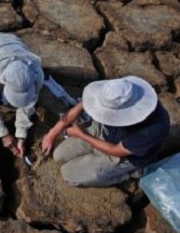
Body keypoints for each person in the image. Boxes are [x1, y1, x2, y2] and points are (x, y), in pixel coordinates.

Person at [41, 76, 170, 187]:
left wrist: (82, 135)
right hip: (104, 132)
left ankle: (130, 173)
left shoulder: (154, 128)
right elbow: (79, 107)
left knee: (68, 175)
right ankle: (95, 157)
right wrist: (51, 134)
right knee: (58, 155)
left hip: (126, 156)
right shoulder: (117, 91)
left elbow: (116, 151)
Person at [0, 32, 44, 158]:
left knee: (7, 101)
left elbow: (29, 102)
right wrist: (3, 134)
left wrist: (21, 135)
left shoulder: (36, 71)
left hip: (12, 40)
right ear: (3, 81)